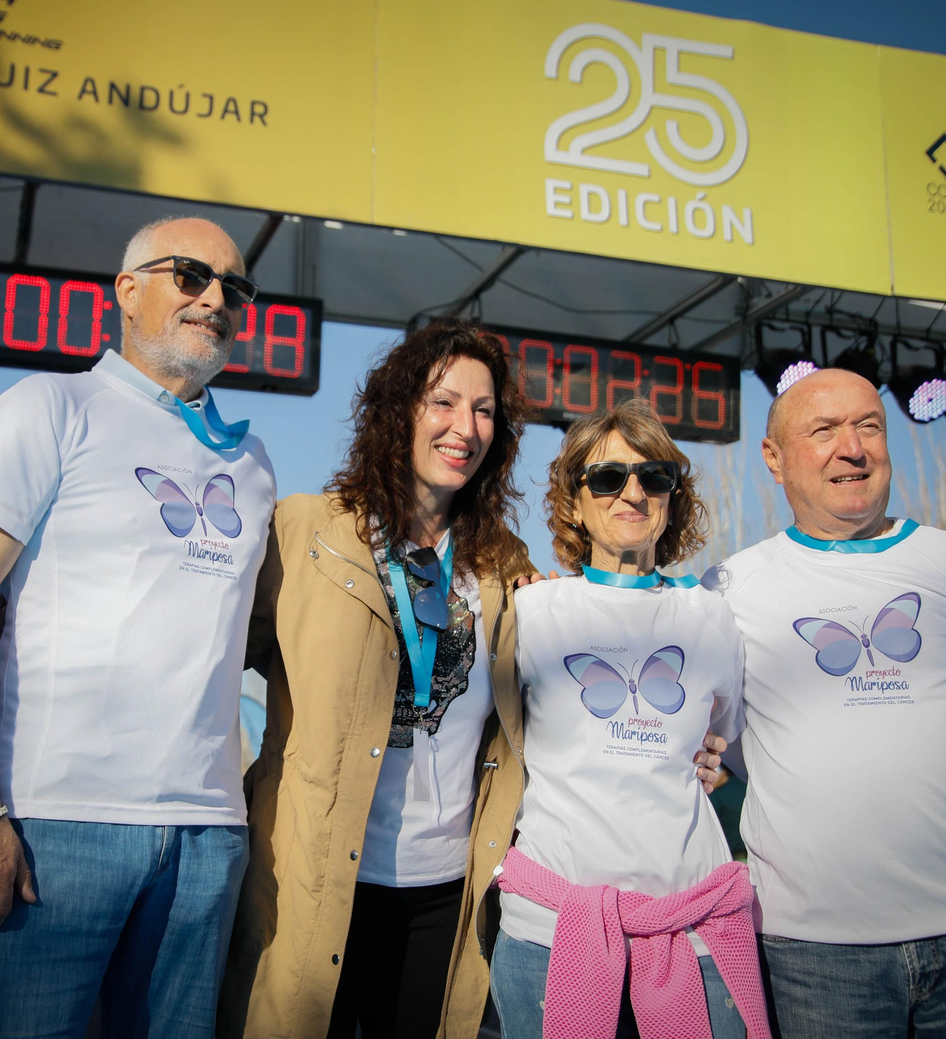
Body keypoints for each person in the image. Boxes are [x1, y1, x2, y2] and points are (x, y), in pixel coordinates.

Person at [221, 327, 727, 1039]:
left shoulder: (502, 563)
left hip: (447, 896)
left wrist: (694, 748)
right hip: (313, 882)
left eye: (485, 410)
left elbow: (568, 698)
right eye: (444, 402)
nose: (466, 427)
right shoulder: (305, 532)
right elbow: (214, 661)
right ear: (397, 411)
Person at [0, 216, 274, 1038]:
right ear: (128, 289)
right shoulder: (50, 406)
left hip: (207, 838)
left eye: (235, 287)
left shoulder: (252, 466)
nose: (216, 298)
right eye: (190, 275)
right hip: (52, 827)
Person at [702, 368, 946, 1039]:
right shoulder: (730, 588)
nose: (852, 448)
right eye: (823, 430)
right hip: (814, 953)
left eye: (868, 426)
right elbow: (716, 742)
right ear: (774, 458)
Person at [490, 400, 767, 1039]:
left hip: (691, 931)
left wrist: (712, 758)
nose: (632, 493)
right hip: (551, 933)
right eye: (608, 478)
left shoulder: (710, 619)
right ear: (575, 500)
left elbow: (726, 739)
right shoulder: (532, 611)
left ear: (673, 495)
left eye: (654, 477)